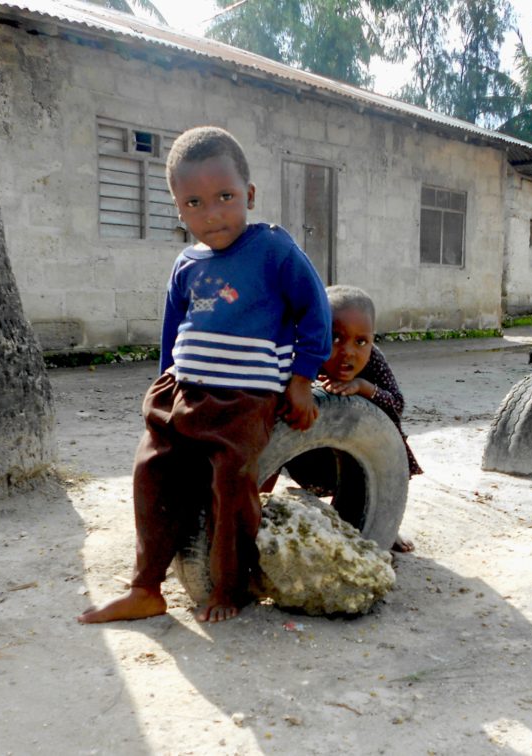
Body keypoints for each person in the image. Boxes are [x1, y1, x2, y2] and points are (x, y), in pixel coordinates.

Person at [78, 126, 331, 625]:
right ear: (177, 207)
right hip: (184, 391)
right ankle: (145, 587)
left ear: (250, 195)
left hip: (244, 399)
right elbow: (173, 333)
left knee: (231, 487)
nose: (211, 213)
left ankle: (228, 588)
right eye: (193, 203)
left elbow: (314, 309)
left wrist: (301, 380)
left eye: (225, 197)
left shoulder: (273, 249)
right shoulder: (186, 264)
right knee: (151, 473)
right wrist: (164, 388)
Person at [279, 285, 423, 552]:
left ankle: (386, 526)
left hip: (368, 451)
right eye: (335, 338)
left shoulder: (374, 361)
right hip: (311, 447)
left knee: (383, 475)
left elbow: (397, 404)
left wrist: (364, 388)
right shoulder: (304, 357)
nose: (348, 352)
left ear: (372, 339)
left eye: (361, 342)